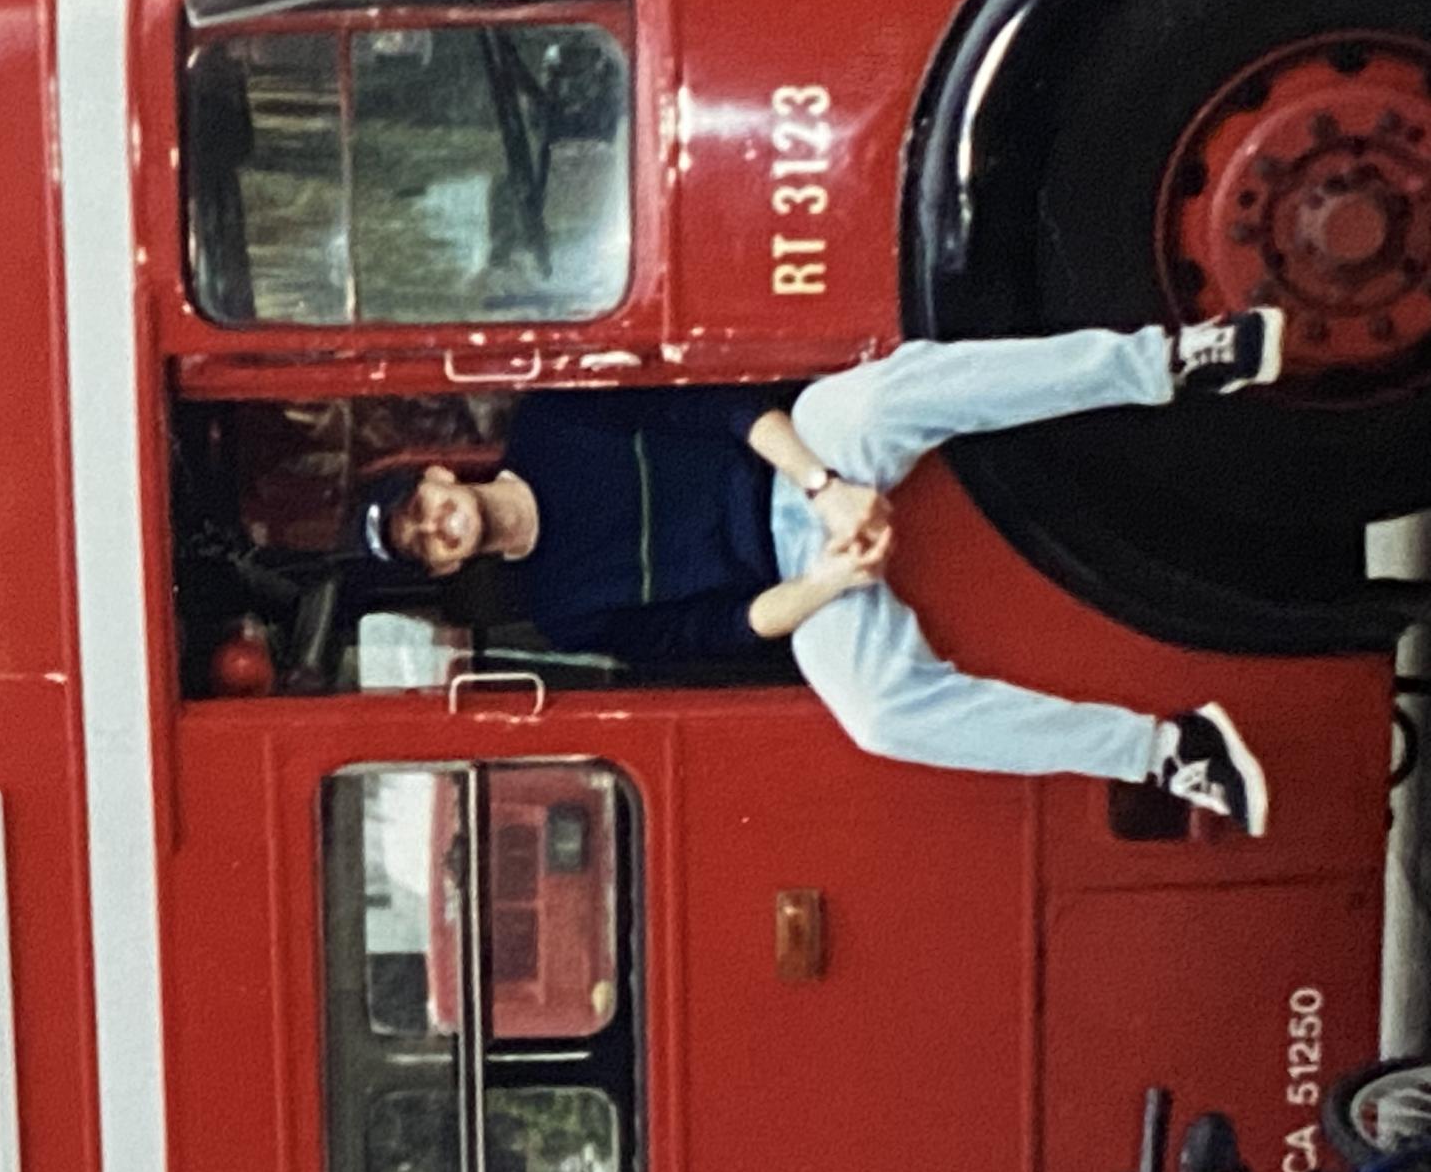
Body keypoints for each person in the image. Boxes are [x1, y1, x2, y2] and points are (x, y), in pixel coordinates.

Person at [351, 315, 1289, 835]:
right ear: (444, 562)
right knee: (877, 715)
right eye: (424, 543)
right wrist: (837, 580)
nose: (437, 526)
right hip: (806, 579)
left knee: (882, 394)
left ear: (439, 473)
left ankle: (1171, 360)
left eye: (421, 506)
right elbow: (726, 628)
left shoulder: (556, 423)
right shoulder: (561, 614)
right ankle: (1168, 752)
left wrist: (828, 488)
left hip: (802, 458)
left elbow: (726, 412)